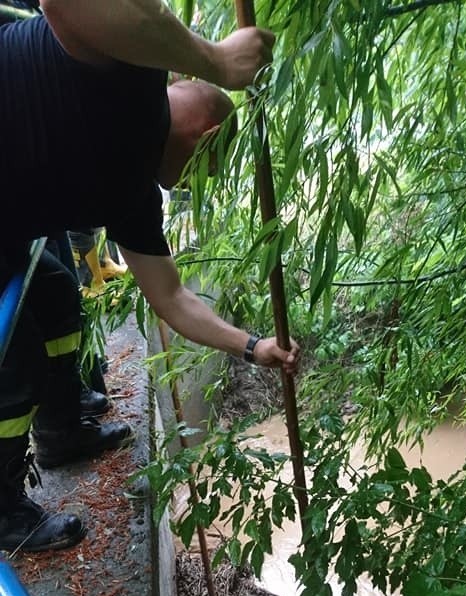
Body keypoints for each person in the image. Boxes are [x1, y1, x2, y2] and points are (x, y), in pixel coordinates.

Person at [0, 2, 300, 553]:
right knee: (13, 366)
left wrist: (253, 347)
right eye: (209, 168)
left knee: (56, 295)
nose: (194, 184)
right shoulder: (134, 70)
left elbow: (173, 297)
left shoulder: (136, 196)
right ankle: (3, 513)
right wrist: (214, 58)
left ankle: (62, 431)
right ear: (206, 136)